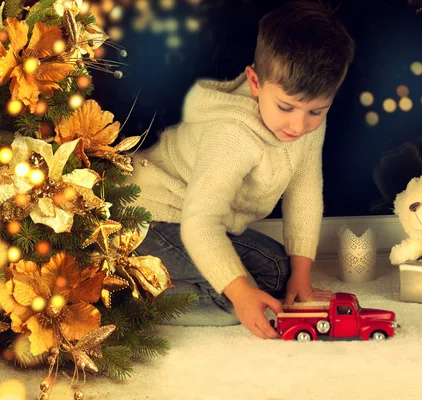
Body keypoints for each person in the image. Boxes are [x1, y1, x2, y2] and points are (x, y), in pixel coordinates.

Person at [131, 0, 355, 339]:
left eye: (316, 111)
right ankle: (119, 292)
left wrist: (302, 275)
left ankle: (173, 278)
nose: (299, 124)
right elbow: (199, 222)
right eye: (286, 107)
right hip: (151, 214)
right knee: (230, 302)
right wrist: (238, 293)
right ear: (254, 82)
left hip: (200, 219)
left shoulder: (305, 126)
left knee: (280, 273)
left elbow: (304, 191)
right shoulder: (232, 135)